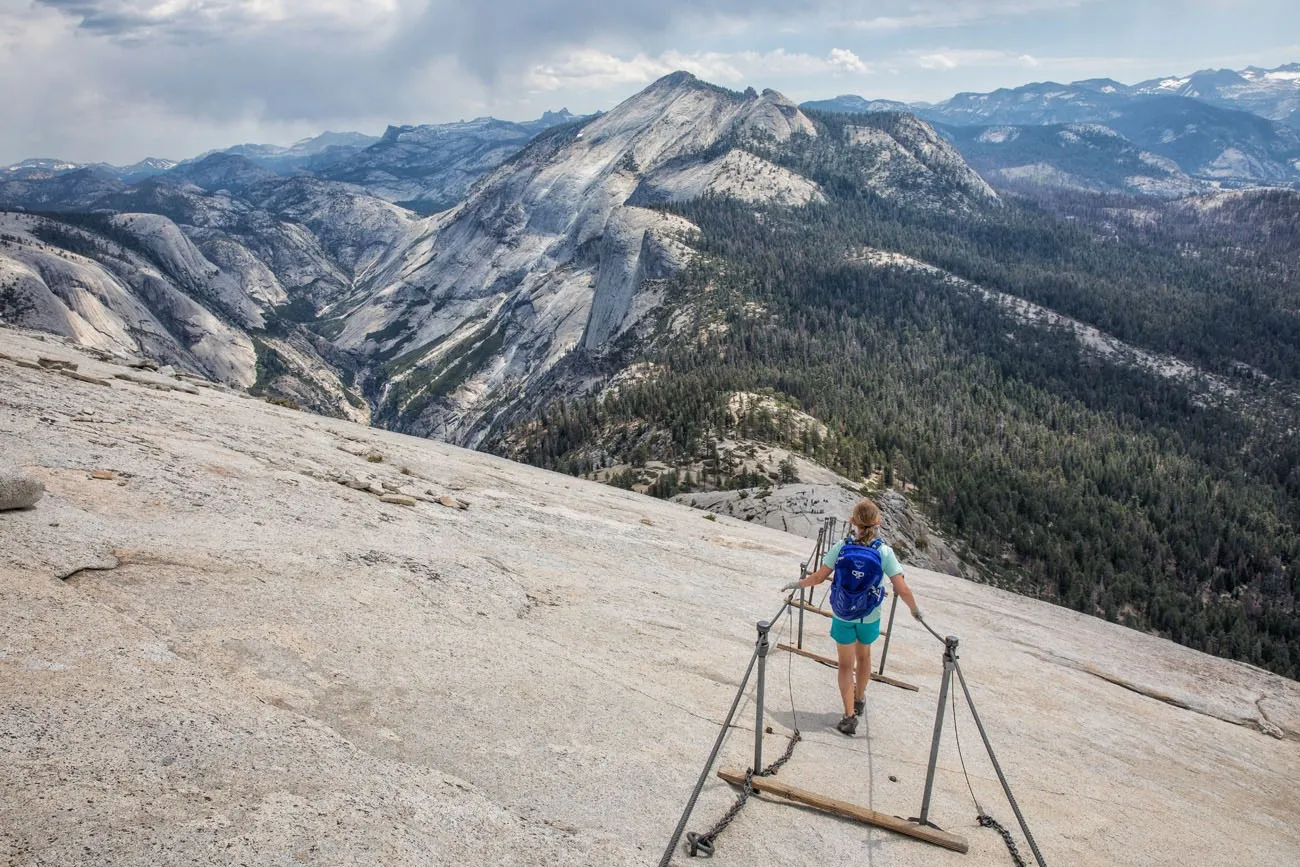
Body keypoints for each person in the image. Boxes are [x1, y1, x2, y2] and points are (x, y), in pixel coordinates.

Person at [780, 499, 922, 736]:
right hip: (869, 615)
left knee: (845, 665)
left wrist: (797, 584)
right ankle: (859, 698)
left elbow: (818, 577)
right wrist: (915, 610)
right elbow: (902, 588)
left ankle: (848, 716)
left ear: (852, 521)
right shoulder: (884, 552)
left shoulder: (841, 547)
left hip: (843, 613)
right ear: (877, 522)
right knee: (864, 656)